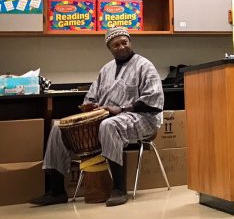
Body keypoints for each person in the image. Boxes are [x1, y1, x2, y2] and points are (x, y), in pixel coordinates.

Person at [30, 28, 164, 207]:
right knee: (58, 128)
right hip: (107, 117)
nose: (121, 47)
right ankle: (56, 191)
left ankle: (118, 189)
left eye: (125, 42)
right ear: (110, 48)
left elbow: (153, 100)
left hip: (142, 117)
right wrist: (90, 106)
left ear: (130, 42)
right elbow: (91, 97)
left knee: (109, 125)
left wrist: (120, 109)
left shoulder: (144, 65)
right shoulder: (106, 69)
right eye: (116, 45)